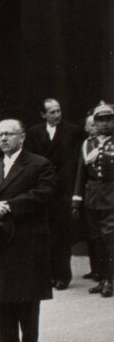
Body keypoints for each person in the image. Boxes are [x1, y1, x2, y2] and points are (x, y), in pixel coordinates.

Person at [0, 118, 56, 342]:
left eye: (9, 134)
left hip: (26, 241)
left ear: (22, 137)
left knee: (27, 299)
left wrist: (9, 206)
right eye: (0, 135)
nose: (4, 139)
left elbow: (44, 194)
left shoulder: (39, 164)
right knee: (1, 297)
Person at [25, 99, 83, 290]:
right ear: (43, 115)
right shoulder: (34, 133)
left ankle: (62, 276)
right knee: (45, 234)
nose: (57, 115)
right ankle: (48, 275)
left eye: (58, 111)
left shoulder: (72, 131)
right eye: (52, 112)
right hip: (43, 189)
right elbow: (31, 160)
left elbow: (77, 160)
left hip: (63, 190)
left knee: (62, 235)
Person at [72, 103, 114, 298]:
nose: (105, 124)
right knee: (96, 240)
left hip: (112, 196)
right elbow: (81, 172)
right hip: (92, 197)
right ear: (94, 123)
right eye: (100, 120)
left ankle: (109, 280)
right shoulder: (88, 144)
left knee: (109, 240)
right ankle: (103, 277)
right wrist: (76, 199)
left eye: (108, 119)